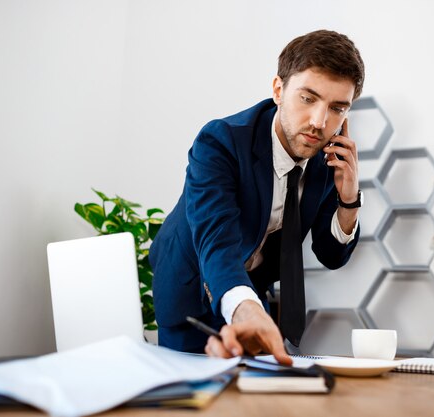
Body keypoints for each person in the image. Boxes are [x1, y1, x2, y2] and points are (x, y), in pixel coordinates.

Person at [149, 29, 364, 364]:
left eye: (337, 108)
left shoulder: (325, 161)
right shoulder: (220, 142)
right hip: (192, 286)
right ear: (278, 90)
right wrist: (246, 310)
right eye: (308, 98)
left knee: (255, 393)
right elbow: (216, 241)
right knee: (189, 395)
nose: (320, 122)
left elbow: (331, 254)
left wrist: (349, 199)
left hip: (251, 288)